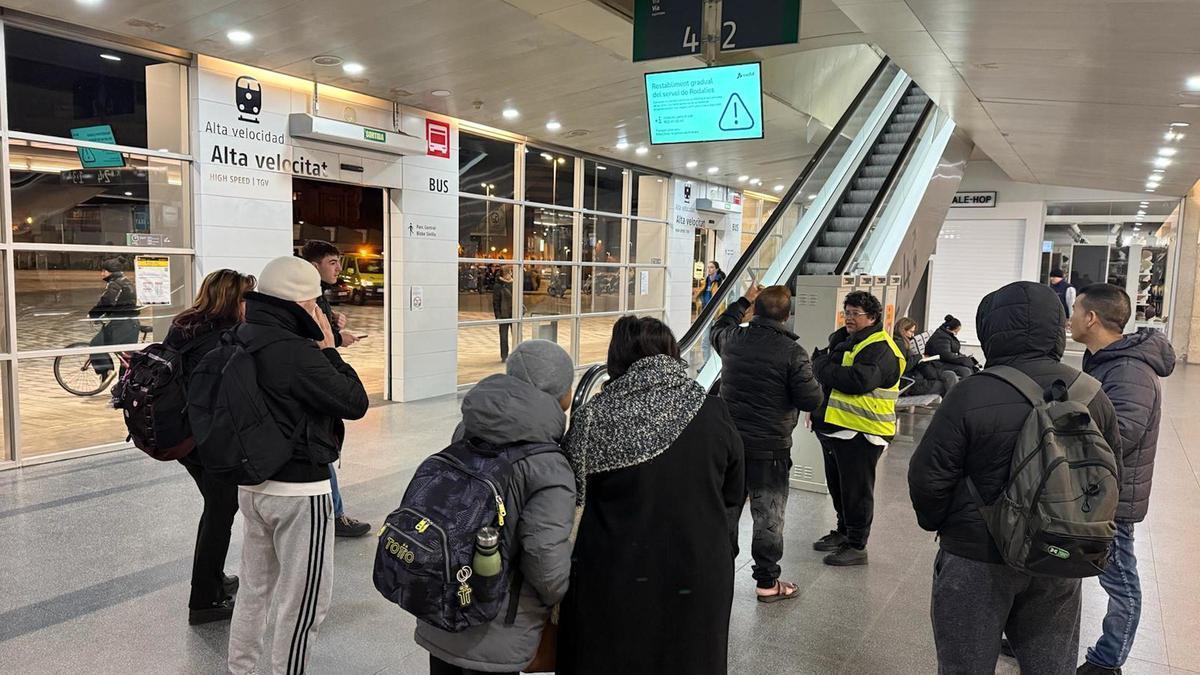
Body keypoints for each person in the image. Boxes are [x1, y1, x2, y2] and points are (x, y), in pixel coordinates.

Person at [908, 281, 1121, 675]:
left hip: (977, 555)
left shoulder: (971, 393)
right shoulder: (1092, 394)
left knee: (965, 665)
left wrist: (946, 525)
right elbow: (1112, 478)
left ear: (991, 328)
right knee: (1050, 665)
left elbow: (928, 477)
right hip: (1059, 553)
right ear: (1055, 327)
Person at [558, 316, 744, 675]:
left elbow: (569, 499)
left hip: (614, 574)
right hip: (699, 567)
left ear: (617, 359)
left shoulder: (593, 418)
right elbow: (734, 491)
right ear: (671, 355)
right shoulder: (712, 411)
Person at [226, 256, 370, 675]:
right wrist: (329, 350)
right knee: (304, 600)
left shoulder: (242, 334)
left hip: (253, 486)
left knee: (254, 590)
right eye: (315, 304)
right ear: (302, 304)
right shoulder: (296, 353)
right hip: (299, 493)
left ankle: (241, 669)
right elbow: (354, 402)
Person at [416, 340, 577, 675]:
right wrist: (564, 593)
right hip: (497, 626)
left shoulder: (469, 428)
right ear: (558, 394)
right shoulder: (548, 463)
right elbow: (544, 560)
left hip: (444, 604)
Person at [1069, 284, 1175, 675]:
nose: (1071, 317)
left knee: (1120, 583)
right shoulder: (1105, 361)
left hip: (1114, 497)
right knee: (1061, 564)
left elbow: (1124, 433)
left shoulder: (1129, 370)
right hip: (1091, 489)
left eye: (1076, 310)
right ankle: (1041, 631)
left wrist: (1064, 427)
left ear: (1091, 318)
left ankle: (1107, 660)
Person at [711, 284, 823, 601]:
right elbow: (811, 398)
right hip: (770, 447)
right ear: (787, 316)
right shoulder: (793, 353)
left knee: (726, 509)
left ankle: (717, 574)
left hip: (730, 444)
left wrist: (743, 300)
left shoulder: (732, 340)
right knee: (768, 516)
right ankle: (766, 583)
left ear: (755, 311)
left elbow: (718, 327)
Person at [165, 269, 257, 625]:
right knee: (220, 513)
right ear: (233, 299)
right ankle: (204, 599)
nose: (250, 302)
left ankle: (213, 578)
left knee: (218, 508)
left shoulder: (185, 325)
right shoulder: (223, 338)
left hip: (183, 437)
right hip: (207, 440)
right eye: (246, 296)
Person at [809, 291, 903, 567]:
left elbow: (857, 381)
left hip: (862, 432)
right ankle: (844, 531)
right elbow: (829, 370)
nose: (848, 318)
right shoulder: (844, 339)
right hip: (836, 428)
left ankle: (857, 544)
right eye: (847, 312)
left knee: (857, 491)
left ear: (872, 317)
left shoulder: (881, 348)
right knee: (839, 487)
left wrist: (820, 365)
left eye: (855, 313)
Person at [300, 240, 371, 539]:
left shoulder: (317, 296)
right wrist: (338, 340)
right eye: (332, 262)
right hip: (315, 385)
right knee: (321, 447)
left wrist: (334, 325)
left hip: (314, 383)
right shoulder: (306, 297)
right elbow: (316, 343)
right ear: (314, 265)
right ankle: (335, 515)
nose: (339, 268)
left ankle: (333, 512)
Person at [88, 256, 141, 377]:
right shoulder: (126, 281)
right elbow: (119, 304)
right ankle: (125, 385)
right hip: (132, 323)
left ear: (111, 272)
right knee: (127, 358)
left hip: (121, 324)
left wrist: (93, 314)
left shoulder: (115, 284)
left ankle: (107, 371)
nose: (102, 273)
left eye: (104, 271)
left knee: (95, 346)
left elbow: (106, 302)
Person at [894, 317, 957, 396]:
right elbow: (904, 367)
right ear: (903, 330)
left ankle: (952, 405)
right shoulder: (899, 344)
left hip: (916, 378)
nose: (912, 335)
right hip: (909, 383)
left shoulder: (902, 342)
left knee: (949, 376)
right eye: (911, 332)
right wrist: (919, 357)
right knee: (944, 384)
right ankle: (953, 405)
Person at [924, 315, 979, 379]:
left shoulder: (946, 334)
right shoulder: (941, 337)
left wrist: (963, 357)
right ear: (948, 328)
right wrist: (963, 360)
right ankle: (964, 388)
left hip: (944, 361)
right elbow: (946, 355)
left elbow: (953, 351)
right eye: (955, 332)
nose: (956, 334)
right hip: (937, 364)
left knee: (970, 368)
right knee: (965, 371)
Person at [494, 267, 514, 362]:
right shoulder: (498, 286)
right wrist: (497, 315)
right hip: (503, 314)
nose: (510, 274)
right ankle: (504, 356)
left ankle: (517, 353)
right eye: (509, 272)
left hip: (514, 313)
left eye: (510, 272)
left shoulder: (514, 283)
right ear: (504, 274)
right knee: (503, 336)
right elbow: (495, 302)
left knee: (516, 334)